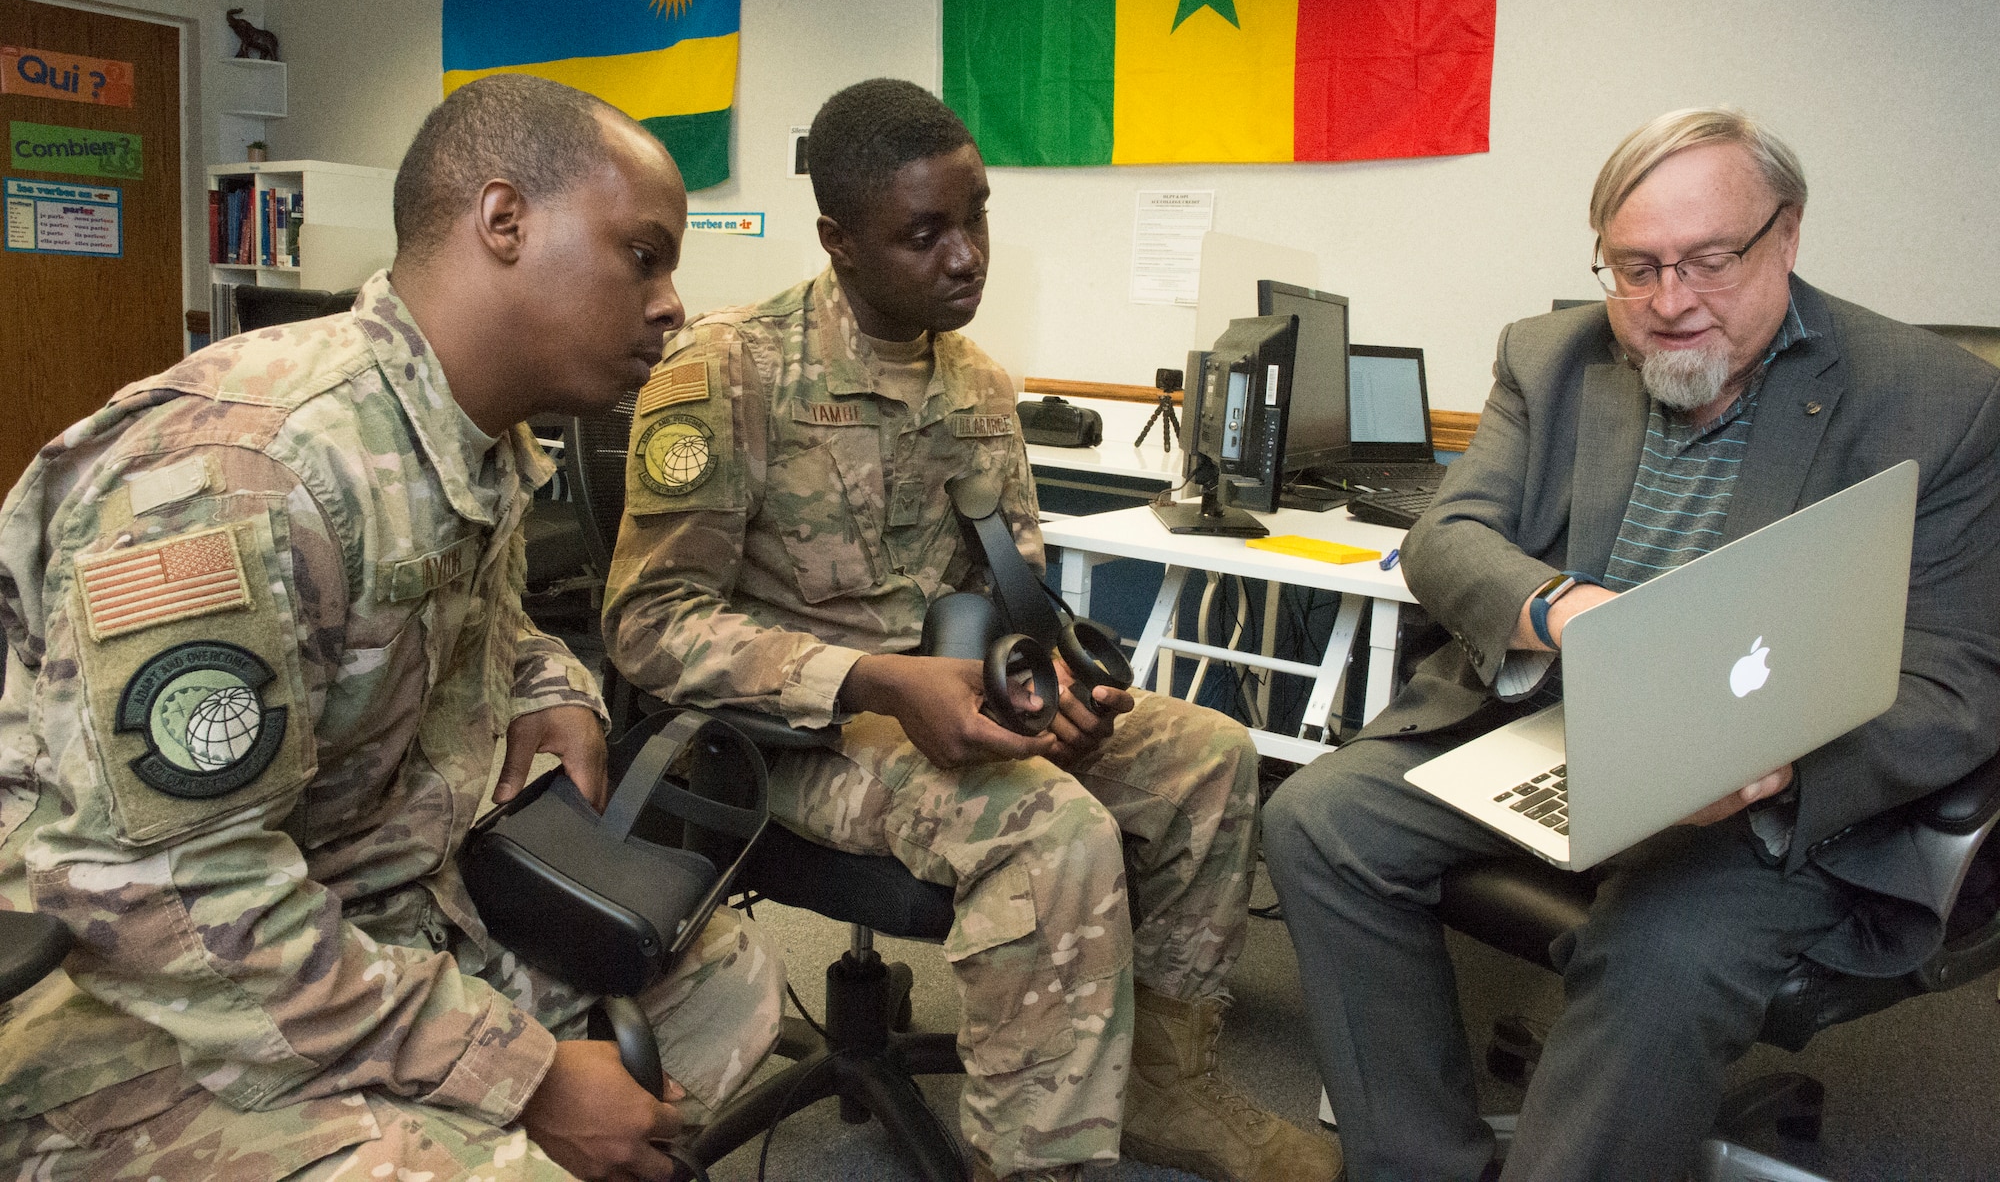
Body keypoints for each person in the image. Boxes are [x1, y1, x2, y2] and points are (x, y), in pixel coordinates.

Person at [0, 74, 785, 1182]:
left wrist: (548, 684)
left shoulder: (473, 436)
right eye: (643, 255)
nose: (670, 303)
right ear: (503, 221)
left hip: (374, 896)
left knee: (723, 982)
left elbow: (484, 623)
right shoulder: (243, 471)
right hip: (140, 995)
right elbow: (165, 900)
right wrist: (525, 1075)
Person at [601, 78, 1339, 1182]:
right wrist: (875, 680)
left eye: (976, 216)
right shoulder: (727, 373)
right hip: (786, 737)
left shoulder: (980, 387)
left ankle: (1164, 1085)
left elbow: (1014, 592)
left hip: (950, 704)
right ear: (839, 242)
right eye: (924, 232)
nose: (966, 256)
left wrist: (1052, 686)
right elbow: (649, 626)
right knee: (1047, 827)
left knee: (1210, 756)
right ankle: (1033, 1159)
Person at [1264, 106, 2000, 1181]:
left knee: (1659, 947)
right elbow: (1448, 537)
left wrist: (1779, 753)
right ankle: (1419, 1162)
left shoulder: (1934, 401)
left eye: (1707, 260)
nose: (1667, 302)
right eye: (1633, 266)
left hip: (1774, 780)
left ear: (1784, 236)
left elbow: (1958, 670)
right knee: (1319, 819)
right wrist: (1566, 608)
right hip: (1562, 722)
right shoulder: (1550, 354)